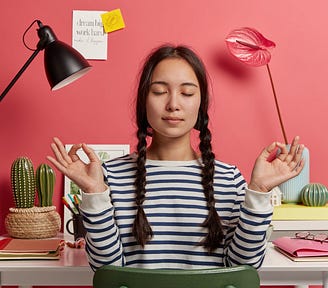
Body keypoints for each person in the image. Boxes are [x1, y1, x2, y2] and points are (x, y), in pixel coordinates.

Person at [47, 44, 305, 271]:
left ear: (201, 104)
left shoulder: (229, 179)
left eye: (187, 93)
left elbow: (242, 268)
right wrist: (94, 193)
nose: (173, 104)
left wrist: (258, 192)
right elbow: (108, 270)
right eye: (159, 91)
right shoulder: (109, 177)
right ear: (143, 102)